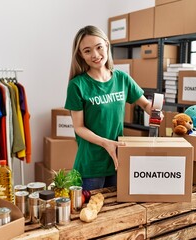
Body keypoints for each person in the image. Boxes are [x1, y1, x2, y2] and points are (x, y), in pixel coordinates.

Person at [64, 25, 162, 191]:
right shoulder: (77, 85)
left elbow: (145, 104)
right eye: (87, 51)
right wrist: (106, 143)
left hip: (117, 160)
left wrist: (154, 109)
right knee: (90, 213)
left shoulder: (122, 78)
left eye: (99, 47)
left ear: (107, 46)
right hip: (91, 165)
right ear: (80, 55)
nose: (95, 55)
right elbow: (79, 127)